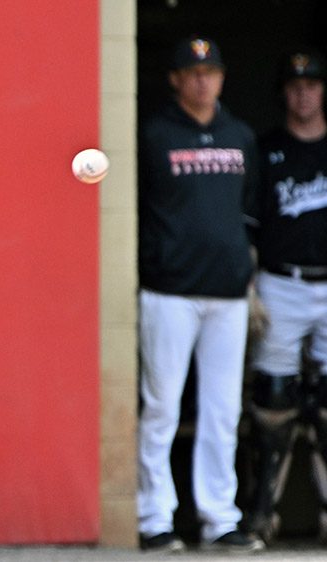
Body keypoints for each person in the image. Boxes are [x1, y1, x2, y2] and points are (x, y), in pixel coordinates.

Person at [136, 35, 265, 553]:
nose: (201, 80)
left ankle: (219, 517)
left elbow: (250, 212)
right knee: (162, 406)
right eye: (191, 72)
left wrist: (249, 280)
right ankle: (154, 518)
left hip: (229, 294)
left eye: (210, 71)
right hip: (170, 292)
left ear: (222, 77)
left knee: (222, 411)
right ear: (174, 79)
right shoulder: (155, 134)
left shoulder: (241, 136)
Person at [245, 49, 327, 544]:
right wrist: (250, 284)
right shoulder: (266, 149)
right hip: (282, 282)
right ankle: (264, 512)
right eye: (295, 85)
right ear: (283, 92)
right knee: (273, 403)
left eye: (312, 84)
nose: (304, 93)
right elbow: (250, 226)